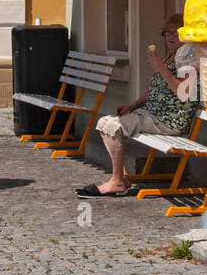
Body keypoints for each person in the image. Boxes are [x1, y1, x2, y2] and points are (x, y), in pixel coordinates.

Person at [76, 13, 199, 197]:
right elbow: (154, 90)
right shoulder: (169, 57)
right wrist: (131, 106)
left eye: (176, 32)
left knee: (112, 126)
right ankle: (121, 178)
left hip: (170, 120)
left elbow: (184, 93)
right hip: (152, 115)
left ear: (187, 34)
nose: (171, 37)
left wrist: (161, 69)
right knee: (103, 123)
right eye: (167, 33)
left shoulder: (188, 60)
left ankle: (116, 182)